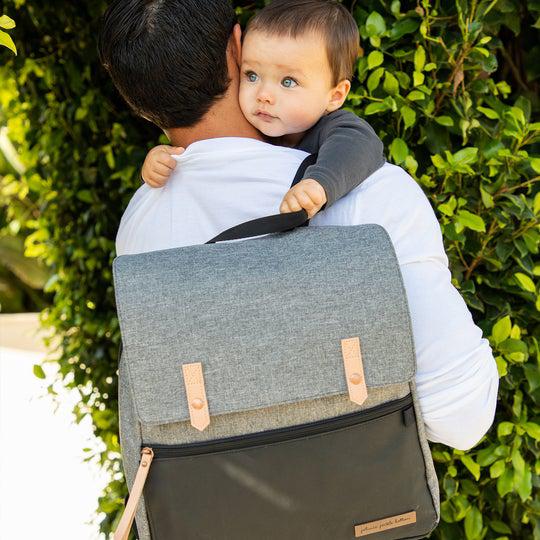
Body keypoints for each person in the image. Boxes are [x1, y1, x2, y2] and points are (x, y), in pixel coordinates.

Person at [99, 0, 498, 453]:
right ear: (237, 45)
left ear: (137, 100)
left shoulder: (137, 228)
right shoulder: (362, 194)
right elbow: (461, 418)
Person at [140, 1, 386, 219]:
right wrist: (160, 159)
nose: (264, 95)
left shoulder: (337, 128)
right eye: (252, 75)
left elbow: (360, 146)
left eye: (288, 81)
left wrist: (319, 184)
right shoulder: (256, 132)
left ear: (335, 95)